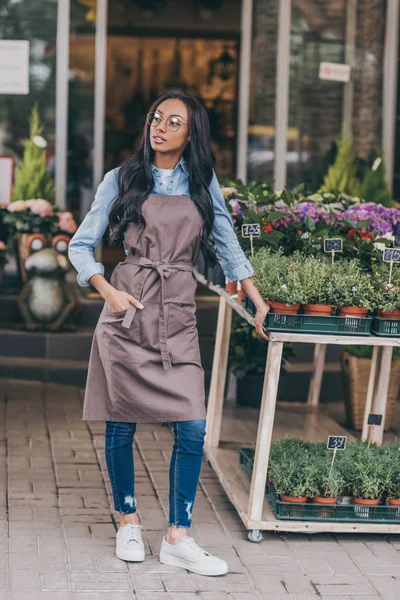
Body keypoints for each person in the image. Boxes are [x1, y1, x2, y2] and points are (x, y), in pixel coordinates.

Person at [68, 90, 270, 577]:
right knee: (121, 422)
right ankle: (128, 520)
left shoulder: (202, 182)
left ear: (190, 133)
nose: (159, 126)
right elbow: (80, 244)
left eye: (173, 121)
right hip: (129, 308)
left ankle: (178, 535)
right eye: (156, 117)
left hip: (177, 312)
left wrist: (257, 299)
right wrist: (106, 291)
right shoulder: (122, 178)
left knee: (193, 425)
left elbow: (226, 242)